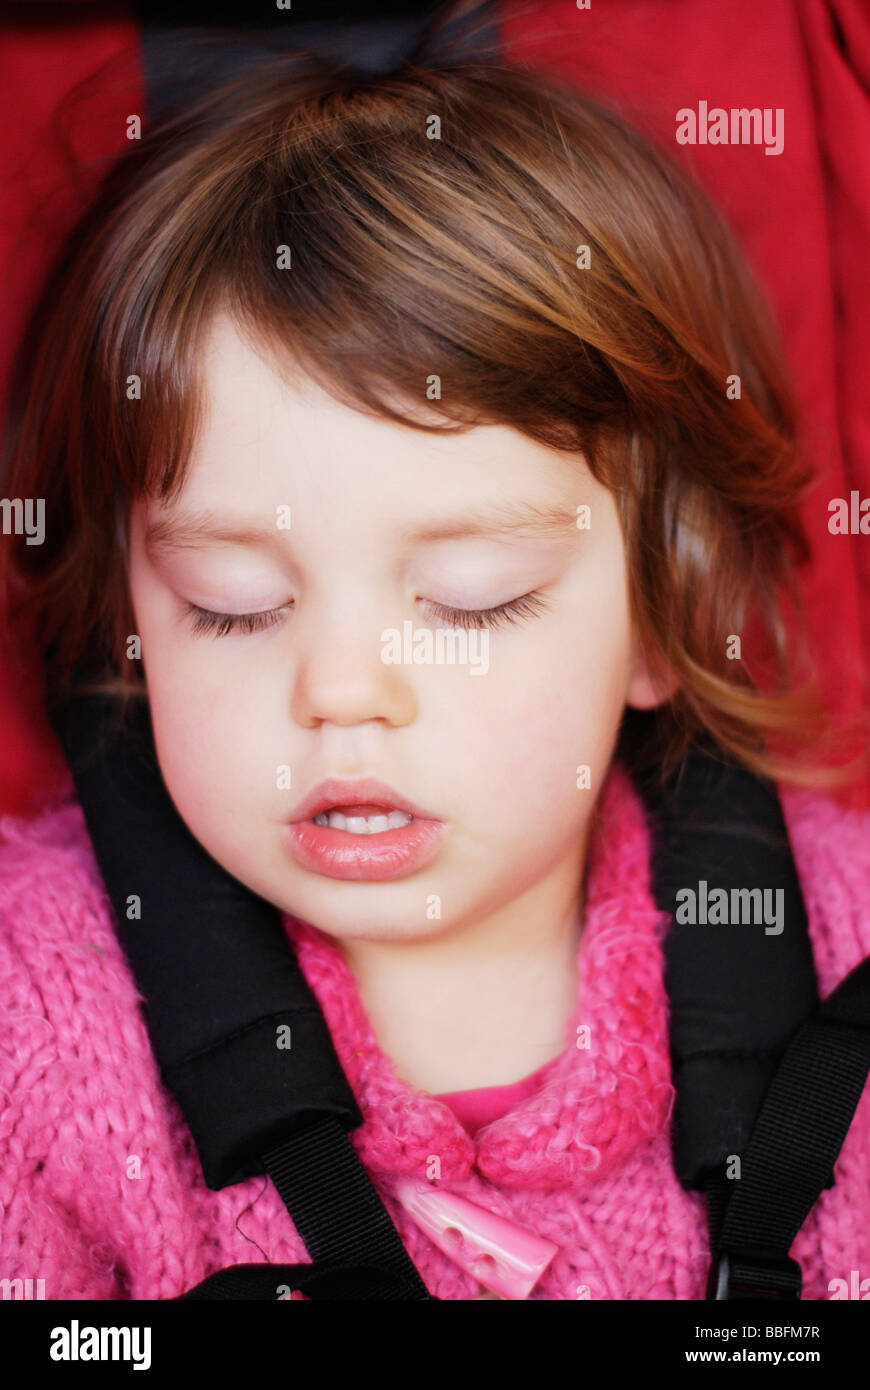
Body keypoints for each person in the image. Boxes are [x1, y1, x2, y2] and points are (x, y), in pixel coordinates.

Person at [1, 55, 868, 1301]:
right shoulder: (32, 1032)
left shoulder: (846, 954)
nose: (343, 692)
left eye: (473, 598)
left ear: (675, 616)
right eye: (230, 609)